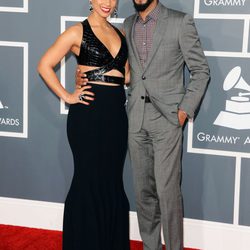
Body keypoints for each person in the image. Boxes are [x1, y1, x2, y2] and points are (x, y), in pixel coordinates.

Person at [77, 0, 210, 249]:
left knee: (168, 193)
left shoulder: (180, 22)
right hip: (135, 118)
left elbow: (201, 71)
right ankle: (150, 246)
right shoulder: (127, 25)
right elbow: (119, 67)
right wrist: (84, 73)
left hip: (167, 120)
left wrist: (183, 111)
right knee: (143, 194)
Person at [37, 0, 130, 249]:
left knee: (112, 181)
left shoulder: (120, 32)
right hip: (88, 116)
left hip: (116, 117)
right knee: (87, 180)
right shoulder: (77, 31)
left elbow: (127, 75)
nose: (107, 3)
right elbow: (44, 65)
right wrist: (68, 95)